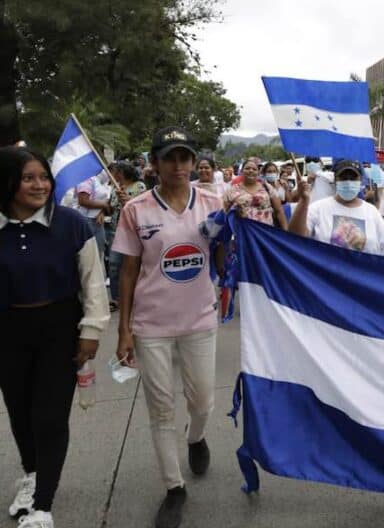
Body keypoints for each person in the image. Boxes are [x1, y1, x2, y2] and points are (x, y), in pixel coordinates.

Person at [112, 127, 223, 528]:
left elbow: (224, 258)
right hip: (151, 324)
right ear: (154, 163)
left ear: (194, 162)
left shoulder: (215, 201)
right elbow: (128, 272)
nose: (179, 166)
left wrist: (235, 230)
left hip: (199, 320)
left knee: (203, 401)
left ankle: (196, 437)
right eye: (170, 158)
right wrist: (124, 330)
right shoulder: (136, 210)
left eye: (185, 158)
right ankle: (174, 488)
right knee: (161, 409)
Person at [0, 147, 109, 528]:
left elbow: (93, 282)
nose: (39, 184)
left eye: (43, 176)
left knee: (49, 416)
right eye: (28, 177)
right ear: (8, 182)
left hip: (59, 328)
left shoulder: (71, 224)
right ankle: (31, 477)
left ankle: (43, 506)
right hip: (8, 332)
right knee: (20, 414)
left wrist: (92, 330)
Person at [289, 160, 384, 256]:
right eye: (343, 178)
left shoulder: (372, 212)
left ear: (361, 181)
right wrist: (303, 201)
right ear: (335, 180)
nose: (348, 182)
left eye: (353, 178)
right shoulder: (318, 208)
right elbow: (295, 237)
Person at [107, 163, 147, 310]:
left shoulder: (139, 187)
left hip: (134, 231)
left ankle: (135, 295)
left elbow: (143, 208)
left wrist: (127, 202)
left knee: (133, 265)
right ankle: (117, 298)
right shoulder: (115, 187)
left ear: (123, 172)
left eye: (116, 172)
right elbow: (111, 208)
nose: (114, 174)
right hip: (116, 230)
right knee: (113, 265)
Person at [223, 158, 287, 229]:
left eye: (254, 169)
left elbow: (279, 211)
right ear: (241, 171)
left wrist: (286, 234)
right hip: (243, 234)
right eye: (247, 168)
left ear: (258, 172)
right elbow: (225, 213)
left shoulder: (267, 187)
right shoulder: (232, 190)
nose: (251, 170)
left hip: (265, 233)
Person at [75, 170, 113, 259]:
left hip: (98, 221)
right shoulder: (87, 179)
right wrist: (104, 205)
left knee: (99, 251)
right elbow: (83, 201)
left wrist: (101, 212)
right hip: (86, 220)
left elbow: (106, 199)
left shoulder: (102, 182)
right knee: (87, 254)